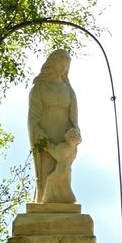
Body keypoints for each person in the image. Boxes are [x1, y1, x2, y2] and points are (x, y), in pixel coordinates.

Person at [28, 49, 81, 203]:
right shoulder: (39, 88)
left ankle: (64, 203)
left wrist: (75, 135)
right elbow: (33, 119)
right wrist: (41, 138)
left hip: (64, 141)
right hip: (44, 140)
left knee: (61, 175)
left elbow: (74, 122)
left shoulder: (69, 91)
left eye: (67, 64)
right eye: (61, 62)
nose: (64, 67)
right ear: (52, 62)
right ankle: (43, 202)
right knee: (46, 180)